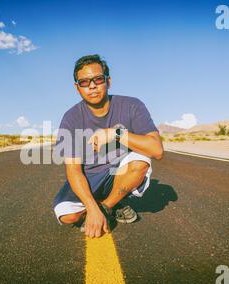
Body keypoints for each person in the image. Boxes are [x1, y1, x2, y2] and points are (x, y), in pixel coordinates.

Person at [53, 54, 163, 238]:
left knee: (140, 161)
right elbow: (73, 170)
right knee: (68, 216)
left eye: (98, 79)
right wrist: (90, 206)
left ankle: (108, 206)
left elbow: (156, 150)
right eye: (84, 82)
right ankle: (105, 204)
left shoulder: (132, 105)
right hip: (90, 176)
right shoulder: (71, 117)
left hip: (117, 173)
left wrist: (116, 134)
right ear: (77, 87)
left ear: (108, 81)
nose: (92, 86)